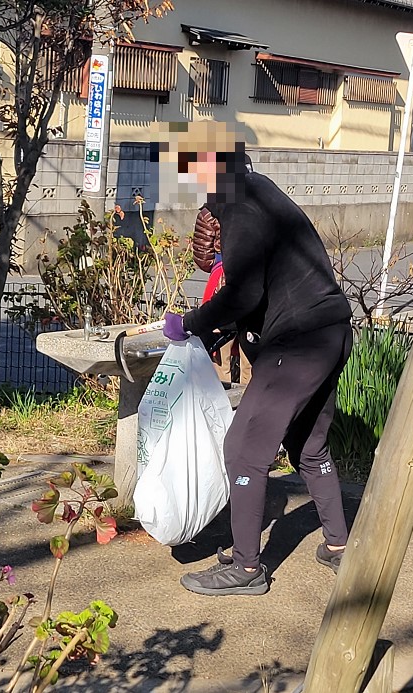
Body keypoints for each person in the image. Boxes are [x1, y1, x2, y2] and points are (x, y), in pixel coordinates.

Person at [160, 126, 352, 597]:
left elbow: (243, 292)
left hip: (299, 343)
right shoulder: (261, 190)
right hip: (331, 331)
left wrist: (190, 323)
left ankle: (246, 568)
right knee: (309, 447)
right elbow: (260, 291)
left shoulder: (238, 203)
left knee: (243, 449)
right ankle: (339, 545)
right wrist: (216, 328)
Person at [193, 207, 251, 385]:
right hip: (251, 275)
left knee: (219, 352)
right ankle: (246, 403)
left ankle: (223, 402)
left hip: (222, 275)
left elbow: (203, 255)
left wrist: (217, 264)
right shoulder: (257, 206)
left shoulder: (209, 210)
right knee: (250, 355)